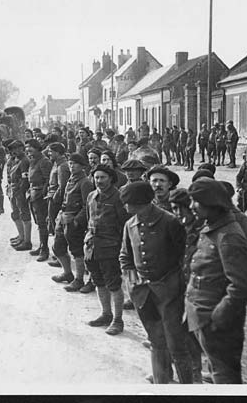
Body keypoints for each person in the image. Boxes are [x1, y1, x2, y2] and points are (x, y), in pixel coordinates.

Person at [119, 181, 193, 384]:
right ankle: (162, 382)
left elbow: (183, 257)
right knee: (156, 341)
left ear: (142, 202)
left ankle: (188, 387)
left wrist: (179, 285)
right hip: (143, 293)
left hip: (169, 292)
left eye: (129, 203)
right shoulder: (130, 224)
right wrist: (132, 281)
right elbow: (125, 256)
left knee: (176, 344)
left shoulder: (170, 222)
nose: (126, 207)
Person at [186, 178, 247, 384]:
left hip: (214, 318)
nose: (191, 207)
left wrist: (219, 315)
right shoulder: (213, 227)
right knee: (216, 367)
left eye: (196, 201)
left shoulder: (228, 236)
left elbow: (240, 286)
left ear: (211, 202)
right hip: (202, 312)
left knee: (225, 375)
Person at [85, 164, 130, 335]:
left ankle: (118, 320)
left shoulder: (119, 198)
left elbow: (125, 224)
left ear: (111, 178)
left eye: (103, 177)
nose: (99, 181)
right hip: (92, 246)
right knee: (98, 281)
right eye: (96, 177)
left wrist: (122, 248)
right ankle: (105, 314)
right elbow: (89, 219)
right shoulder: (91, 196)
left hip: (110, 247)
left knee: (114, 284)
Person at [169, 188, 205, 383]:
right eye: (175, 208)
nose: (179, 213)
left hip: (198, 290)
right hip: (179, 286)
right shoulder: (176, 226)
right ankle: (180, 373)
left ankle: (196, 377)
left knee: (193, 335)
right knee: (178, 333)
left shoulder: (203, 230)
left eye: (183, 208)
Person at [51, 153, 94, 290]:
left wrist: (77, 221)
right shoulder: (71, 179)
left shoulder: (85, 182)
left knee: (77, 251)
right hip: (63, 217)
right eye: (70, 163)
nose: (71, 166)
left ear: (82, 166)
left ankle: (79, 279)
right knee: (58, 247)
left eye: (75, 163)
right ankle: (67, 273)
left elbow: (86, 205)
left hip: (74, 220)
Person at [25, 139, 53, 261]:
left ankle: (44, 250)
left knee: (42, 223)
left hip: (40, 196)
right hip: (33, 194)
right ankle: (42, 245)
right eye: (27, 149)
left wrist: (43, 194)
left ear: (37, 148)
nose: (28, 151)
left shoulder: (44, 161)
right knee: (38, 222)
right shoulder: (33, 160)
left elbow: (48, 180)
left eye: (30, 148)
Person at [45, 142, 70, 266]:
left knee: (57, 228)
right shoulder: (57, 163)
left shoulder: (62, 166)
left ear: (58, 153)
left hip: (56, 200)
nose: (49, 154)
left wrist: (54, 200)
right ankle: (58, 256)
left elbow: (62, 186)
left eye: (51, 151)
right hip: (53, 196)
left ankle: (61, 256)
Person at [8, 140, 33, 251]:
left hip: (20, 192)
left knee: (24, 215)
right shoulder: (15, 160)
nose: (15, 151)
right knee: (15, 214)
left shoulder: (24, 161)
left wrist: (21, 192)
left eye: (17, 149)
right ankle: (21, 236)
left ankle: (27, 241)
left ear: (22, 148)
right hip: (14, 190)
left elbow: (24, 179)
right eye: (13, 149)